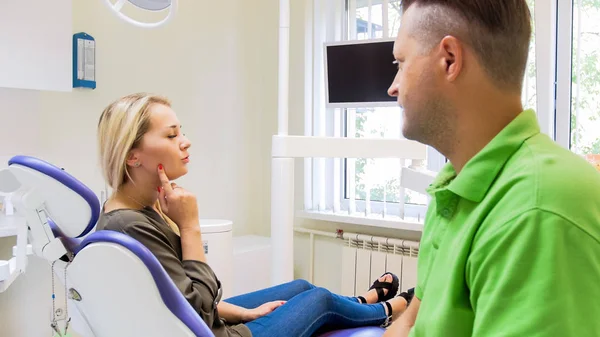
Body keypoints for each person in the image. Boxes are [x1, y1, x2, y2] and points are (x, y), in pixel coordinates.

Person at [95, 93, 413, 337]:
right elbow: (196, 311)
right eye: (171, 135)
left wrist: (247, 313)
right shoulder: (131, 227)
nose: (186, 141)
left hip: (206, 321)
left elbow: (175, 299)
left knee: (300, 288)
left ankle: (360, 302)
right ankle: (391, 309)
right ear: (133, 155)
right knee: (320, 301)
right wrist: (190, 226)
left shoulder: (135, 212)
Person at [384, 1, 600, 336]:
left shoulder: (538, 208)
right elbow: (411, 321)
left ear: (450, 60)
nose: (393, 87)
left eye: (401, 63)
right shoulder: (454, 186)